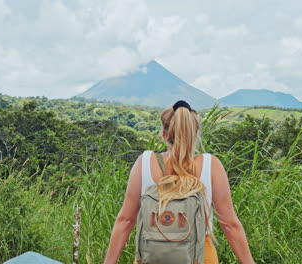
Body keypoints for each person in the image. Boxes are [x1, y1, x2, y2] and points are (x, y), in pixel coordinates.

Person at [104, 101, 255, 264]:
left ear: (164, 133)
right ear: (195, 134)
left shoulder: (146, 162)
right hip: (201, 257)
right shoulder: (211, 165)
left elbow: (125, 221)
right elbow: (230, 225)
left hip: (152, 256)